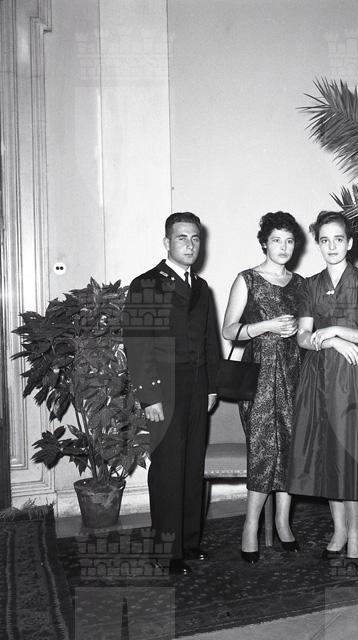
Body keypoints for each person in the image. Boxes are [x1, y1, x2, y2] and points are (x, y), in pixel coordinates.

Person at [122, 211, 220, 576]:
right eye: (182, 238)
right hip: (164, 387)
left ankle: (189, 542)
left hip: (197, 387)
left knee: (192, 465)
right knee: (167, 469)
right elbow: (138, 345)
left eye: (195, 238)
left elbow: (210, 340)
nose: (190, 245)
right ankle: (166, 551)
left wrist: (211, 386)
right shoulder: (146, 284)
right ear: (167, 242)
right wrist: (149, 397)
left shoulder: (202, 287)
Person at [287, 211, 358, 560]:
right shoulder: (310, 285)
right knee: (329, 454)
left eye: (338, 239)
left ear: (350, 243)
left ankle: (356, 534)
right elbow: (302, 337)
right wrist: (330, 341)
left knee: (350, 455)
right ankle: (339, 530)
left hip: (355, 376)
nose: (331, 246)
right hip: (319, 378)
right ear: (318, 244)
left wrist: (340, 331)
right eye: (324, 240)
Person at [222, 211, 305, 563]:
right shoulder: (248, 279)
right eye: (276, 240)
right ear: (264, 243)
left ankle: (283, 523)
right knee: (262, 449)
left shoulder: (301, 284)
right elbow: (229, 330)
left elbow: (308, 329)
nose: (283, 247)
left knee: (292, 449)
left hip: (295, 372)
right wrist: (266, 326)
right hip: (259, 375)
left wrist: (299, 329)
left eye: (289, 241)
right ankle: (250, 526)